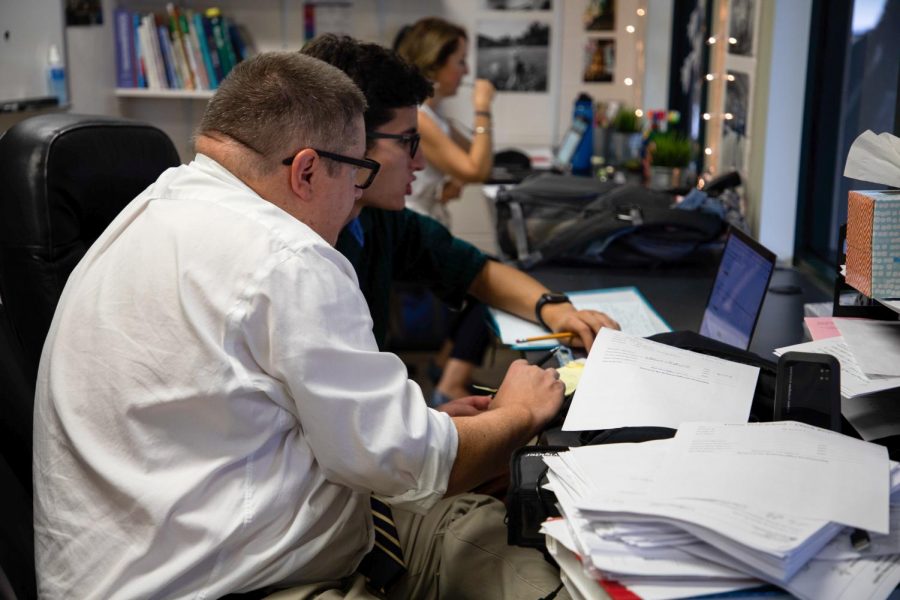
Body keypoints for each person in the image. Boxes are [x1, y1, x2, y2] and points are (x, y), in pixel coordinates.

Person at [32, 51, 568, 599]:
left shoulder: (151, 209)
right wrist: (519, 412)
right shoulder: (288, 257)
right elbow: (407, 464)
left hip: (158, 557)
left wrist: (409, 423)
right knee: (553, 572)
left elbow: (254, 406)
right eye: (359, 175)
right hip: (236, 583)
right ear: (307, 169)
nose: (359, 202)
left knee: (489, 534)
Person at [302, 34, 619, 406]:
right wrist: (514, 417)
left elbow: (475, 269)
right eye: (407, 142)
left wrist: (558, 310)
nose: (419, 163)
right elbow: (358, 445)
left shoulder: (374, 220)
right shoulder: (304, 266)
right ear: (351, 141)